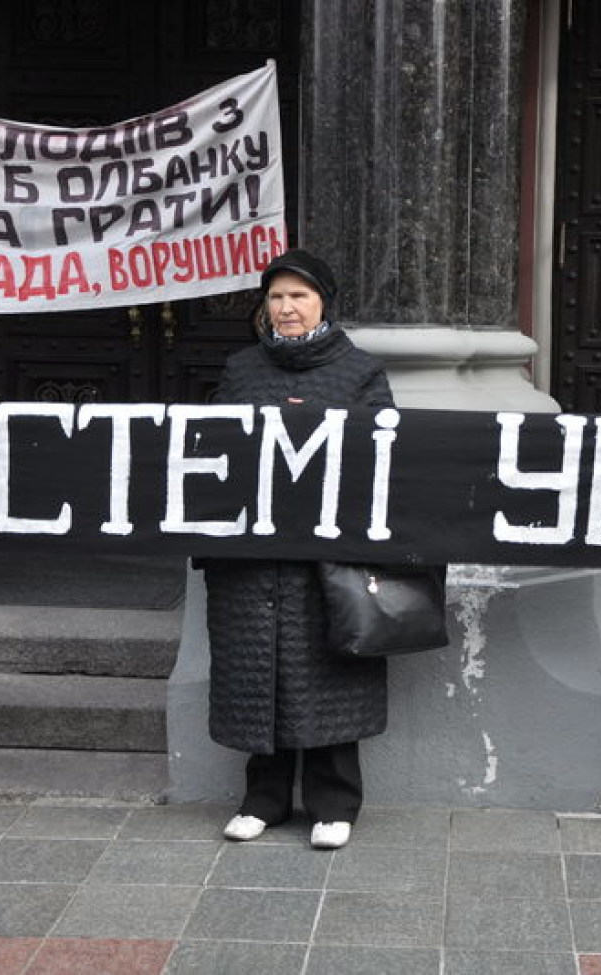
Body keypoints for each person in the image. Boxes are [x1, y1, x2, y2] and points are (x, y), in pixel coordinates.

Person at [201, 248, 394, 851]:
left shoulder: (359, 372)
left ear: (323, 304)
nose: (286, 308)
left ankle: (334, 803)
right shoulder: (240, 369)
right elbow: (208, 448)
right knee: (263, 678)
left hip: (326, 561)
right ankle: (264, 799)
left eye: (299, 296)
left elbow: (382, 454)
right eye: (277, 297)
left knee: (327, 674)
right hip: (254, 560)